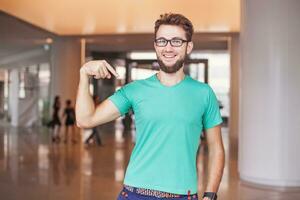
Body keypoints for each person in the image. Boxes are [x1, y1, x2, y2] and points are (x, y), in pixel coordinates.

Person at [76, 13, 225, 200]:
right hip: (134, 193)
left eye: (176, 41)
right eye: (162, 41)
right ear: (155, 46)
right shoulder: (135, 90)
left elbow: (216, 148)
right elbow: (85, 119)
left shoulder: (204, 93)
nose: (168, 47)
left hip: (183, 195)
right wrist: (84, 74)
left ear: (189, 47)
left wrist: (210, 195)